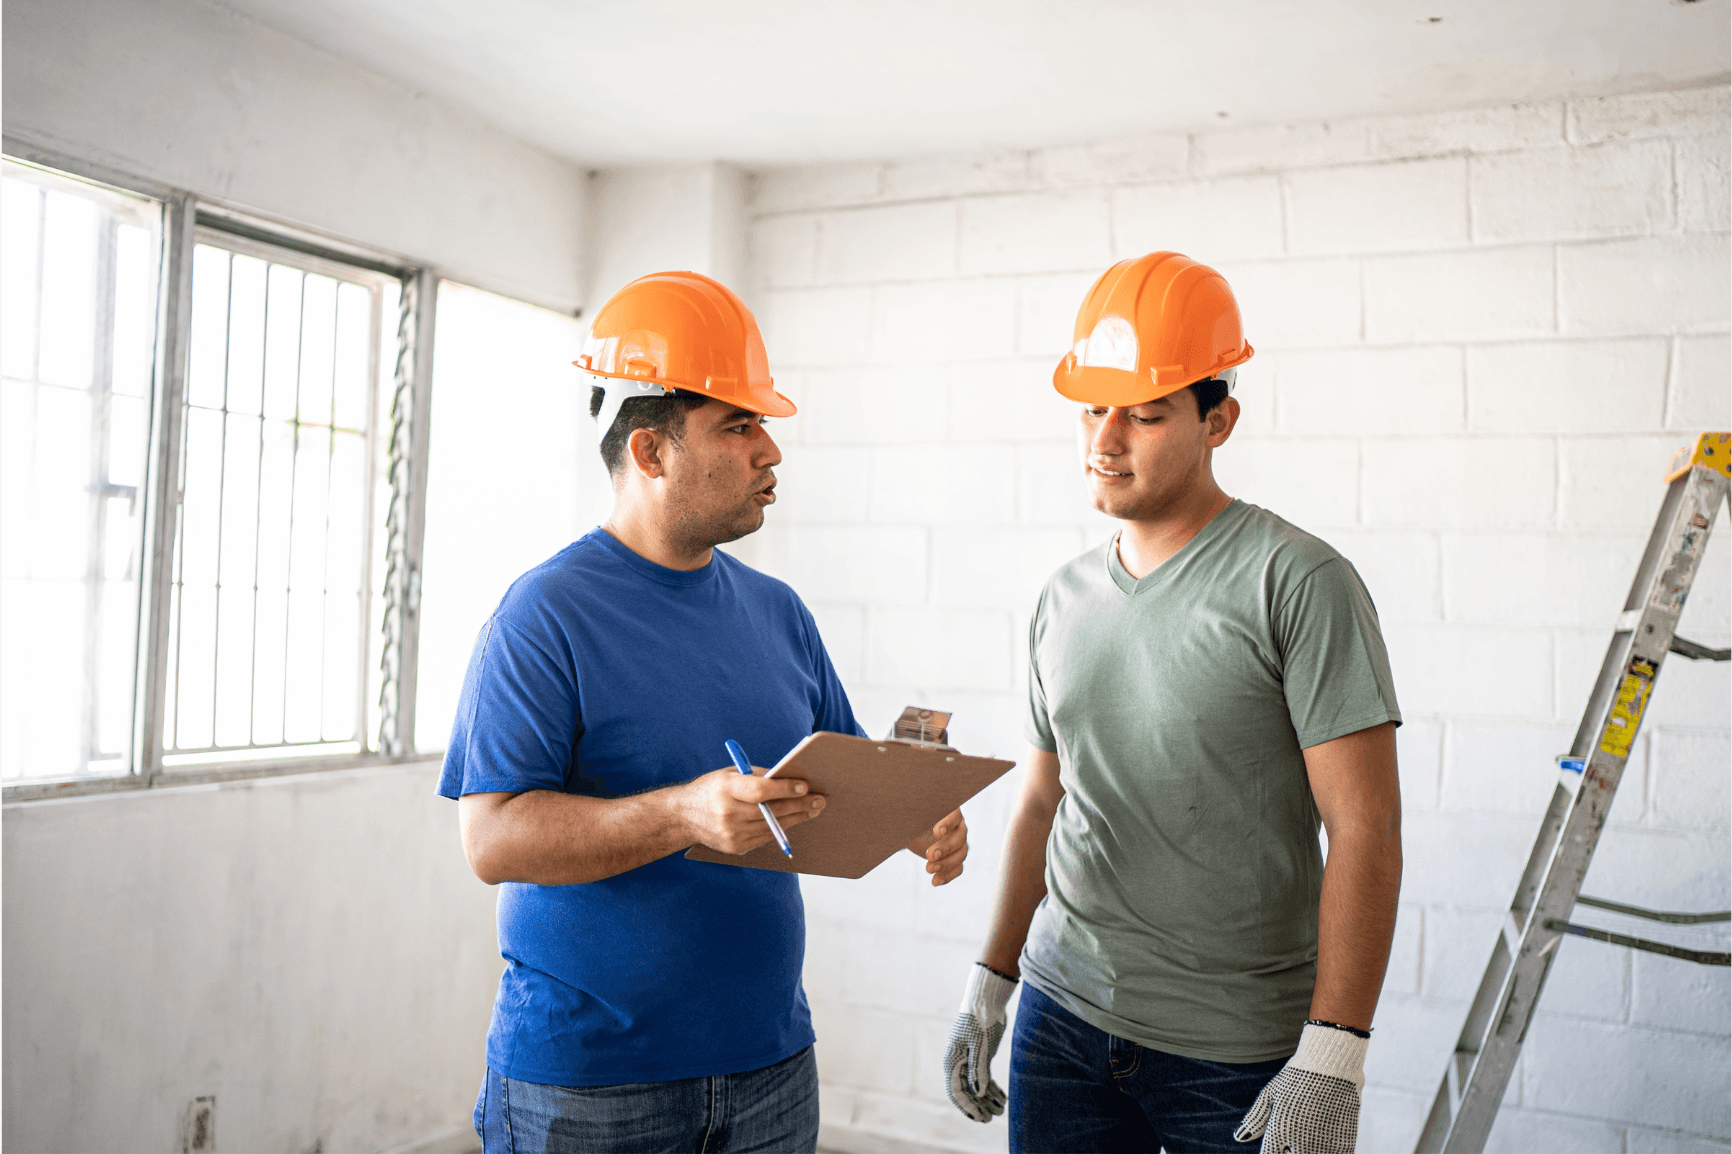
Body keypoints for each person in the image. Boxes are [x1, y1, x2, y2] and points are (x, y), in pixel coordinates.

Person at [440, 270, 969, 1154]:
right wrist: (683, 812)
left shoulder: (777, 612)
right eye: (739, 425)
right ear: (650, 452)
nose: (771, 451)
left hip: (770, 1068)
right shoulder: (544, 615)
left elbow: (833, 781)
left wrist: (915, 813)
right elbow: (493, 840)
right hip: (593, 1085)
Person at [942, 252, 1403, 1154]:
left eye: (1145, 415)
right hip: (1062, 1019)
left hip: (1236, 1051)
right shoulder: (1061, 597)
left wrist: (1334, 1051)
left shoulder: (1298, 581)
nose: (1104, 442)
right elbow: (1043, 802)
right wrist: (992, 980)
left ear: (1216, 421)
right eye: (1091, 409)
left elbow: (1366, 827)